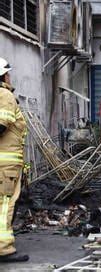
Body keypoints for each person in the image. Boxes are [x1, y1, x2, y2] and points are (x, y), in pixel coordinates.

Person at [0, 58, 29, 262]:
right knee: (4, 206)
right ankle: (4, 249)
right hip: (6, 165)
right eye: (7, 73)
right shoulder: (4, 95)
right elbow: (1, 126)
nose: (10, 76)